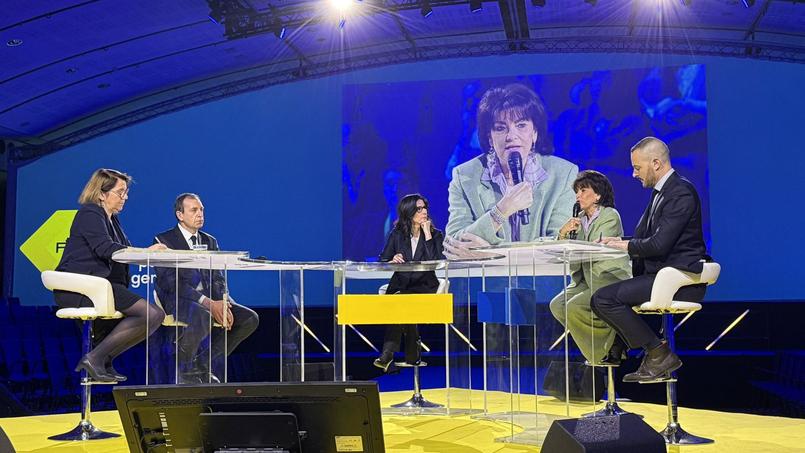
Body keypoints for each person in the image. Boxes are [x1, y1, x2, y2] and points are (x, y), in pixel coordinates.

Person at [593, 137, 709, 383]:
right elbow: (650, 237)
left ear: (656, 163)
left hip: (680, 280)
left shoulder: (680, 192)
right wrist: (618, 241)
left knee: (603, 299)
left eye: (637, 167)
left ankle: (658, 353)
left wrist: (624, 245)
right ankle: (622, 347)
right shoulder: (662, 193)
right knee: (605, 294)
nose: (634, 174)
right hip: (660, 276)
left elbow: (659, 244)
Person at [54, 169, 166, 382]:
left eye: (126, 193)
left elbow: (123, 250)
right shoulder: (90, 212)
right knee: (152, 314)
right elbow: (105, 248)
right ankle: (96, 357)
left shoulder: (112, 220)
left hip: (104, 286)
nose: (125, 197)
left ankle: (102, 358)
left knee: (154, 316)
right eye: (120, 192)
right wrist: (145, 252)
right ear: (101, 193)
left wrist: (149, 253)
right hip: (83, 287)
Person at [444, 83, 578, 257]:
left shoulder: (564, 174)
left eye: (521, 125)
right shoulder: (465, 176)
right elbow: (454, 246)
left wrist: (494, 254)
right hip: (486, 281)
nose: (511, 136)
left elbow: (561, 245)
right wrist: (501, 211)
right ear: (489, 137)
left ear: (535, 132)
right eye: (500, 128)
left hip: (545, 281)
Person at [154, 193, 259, 383]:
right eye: (194, 210)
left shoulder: (210, 240)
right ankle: (185, 366)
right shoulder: (163, 240)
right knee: (203, 315)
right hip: (180, 299)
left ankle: (204, 364)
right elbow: (170, 283)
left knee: (250, 319)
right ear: (180, 214)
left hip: (211, 300)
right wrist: (208, 302)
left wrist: (224, 302)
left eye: (201, 209)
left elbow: (218, 277)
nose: (200, 214)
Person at [549, 170, 632, 365]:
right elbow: (566, 249)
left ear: (598, 195)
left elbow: (597, 248)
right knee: (557, 306)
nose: (578, 195)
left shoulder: (610, 215)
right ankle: (611, 340)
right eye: (577, 191)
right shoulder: (577, 219)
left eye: (583, 190)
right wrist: (563, 234)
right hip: (584, 278)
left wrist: (575, 244)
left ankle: (599, 354)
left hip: (607, 276)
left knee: (575, 307)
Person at [373, 194, 445, 372]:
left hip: (424, 287)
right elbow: (383, 258)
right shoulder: (397, 234)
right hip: (402, 287)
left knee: (402, 303)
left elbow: (434, 261)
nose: (424, 212)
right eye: (419, 209)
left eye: (425, 208)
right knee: (404, 307)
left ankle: (387, 355)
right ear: (409, 211)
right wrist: (393, 259)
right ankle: (413, 353)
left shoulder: (436, 235)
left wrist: (427, 234)